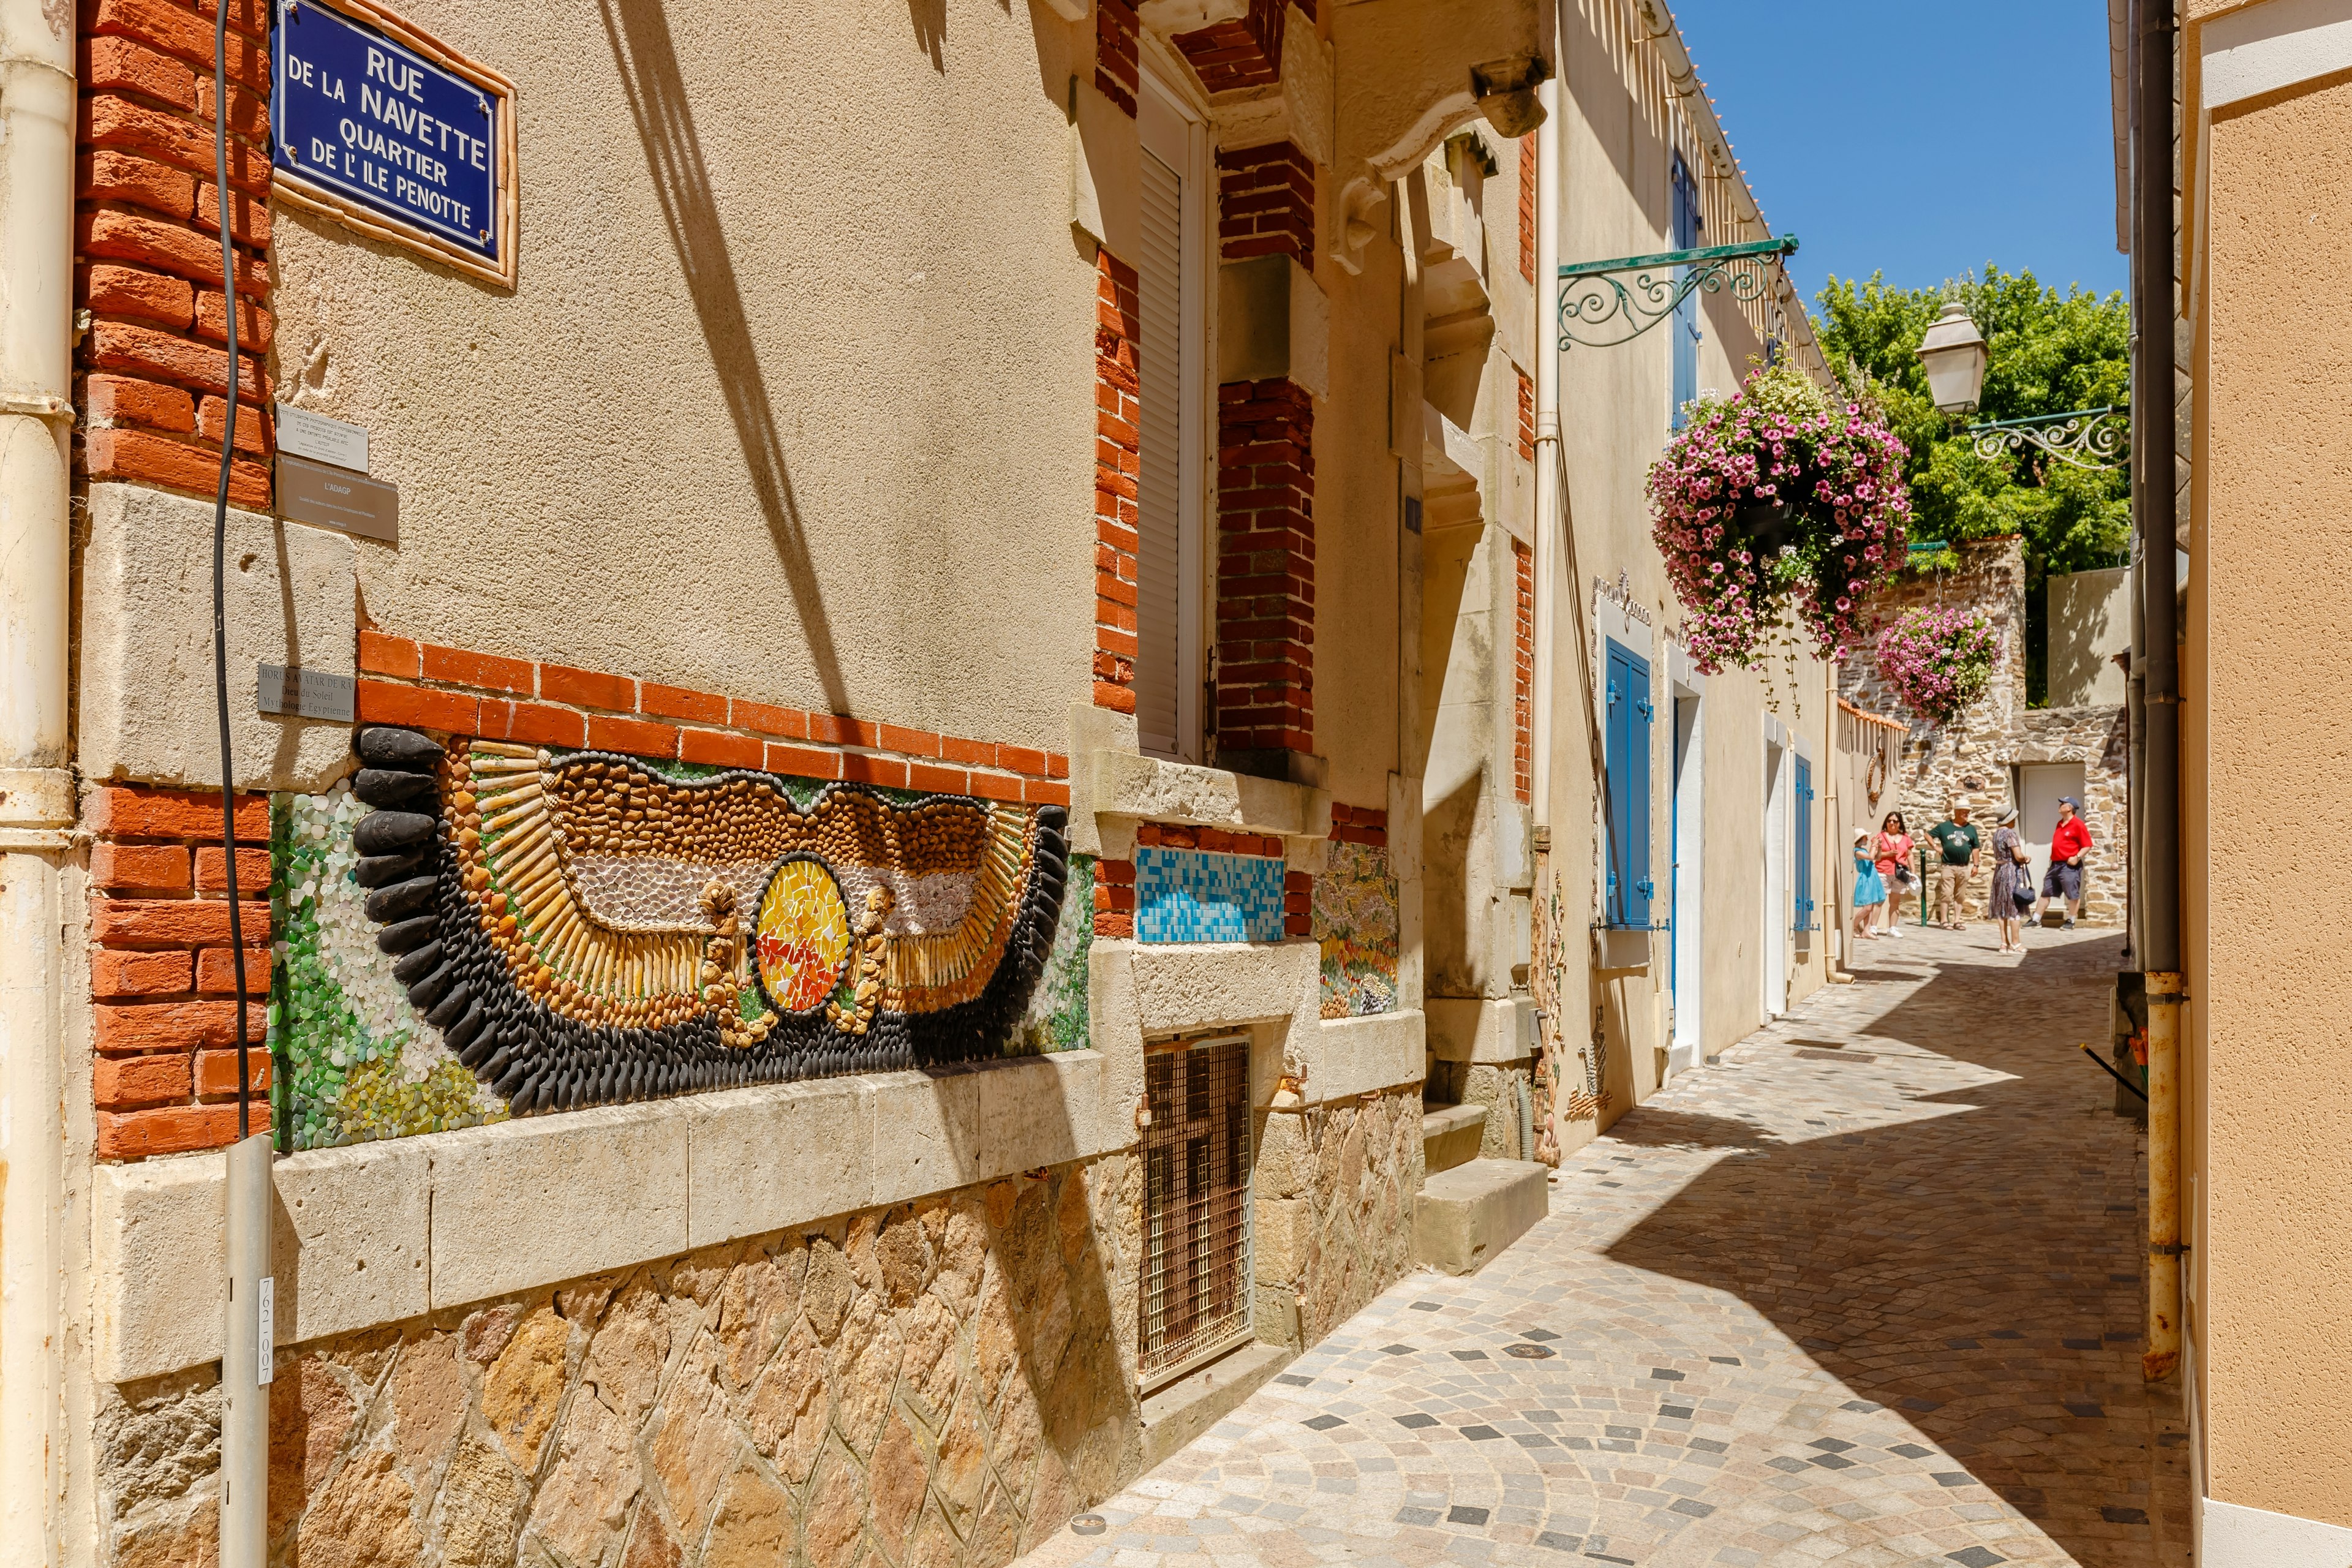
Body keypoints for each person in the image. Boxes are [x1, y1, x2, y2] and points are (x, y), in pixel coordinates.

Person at [2034, 795, 2094, 929]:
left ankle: (2071, 921)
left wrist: (2077, 857)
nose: (2060, 806)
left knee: (2072, 894)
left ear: (2070, 808)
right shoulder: (2060, 823)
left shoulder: (2078, 825)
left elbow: (2088, 845)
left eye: (2063, 804)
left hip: (2069, 866)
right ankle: (2036, 919)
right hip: (2055, 865)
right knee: (2046, 892)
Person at [1926, 802, 1981, 930]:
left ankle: (1957, 921)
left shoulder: (1971, 829)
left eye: (1968, 812)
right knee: (1946, 893)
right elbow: (1928, 835)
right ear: (1957, 812)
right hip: (1948, 866)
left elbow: (1976, 848)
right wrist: (1936, 847)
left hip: (1964, 867)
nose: (1967, 814)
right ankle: (1944, 921)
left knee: (1960, 895)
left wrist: (1976, 865)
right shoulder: (1945, 827)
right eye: (1964, 812)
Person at [1988, 805, 2030, 953]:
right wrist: (2026, 858)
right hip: (2011, 871)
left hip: (1999, 872)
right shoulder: (2010, 834)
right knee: (2014, 907)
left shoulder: (1996, 834)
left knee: (2001, 907)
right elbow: (2018, 856)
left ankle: (2003, 943)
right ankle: (2016, 943)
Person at [1872, 810, 1914, 936]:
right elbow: (1874, 854)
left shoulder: (1906, 838)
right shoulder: (1880, 837)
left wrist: (1913, 872)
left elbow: (1910, 855)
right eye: (1889, 821)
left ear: (1899, 823)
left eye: (1895, 821)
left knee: (1895, 902)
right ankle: (1873, 926)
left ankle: (1893, 928)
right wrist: (1888, 854)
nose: (1892, 823)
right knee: (1879, 900)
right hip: (1883, 871)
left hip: (1900, 873)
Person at [1851, 829, 1885, 943]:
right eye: (1865, 837)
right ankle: (1853, 926)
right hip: (1865, 879)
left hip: (1872, 877)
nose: (1867, 839)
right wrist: (1874, 845)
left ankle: (1866, 930)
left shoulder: (1864, 850)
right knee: (1867, 908)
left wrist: (1878, 847)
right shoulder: (1857, 852)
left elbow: (1877, 857)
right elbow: (1871, 857)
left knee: (1871, 905)